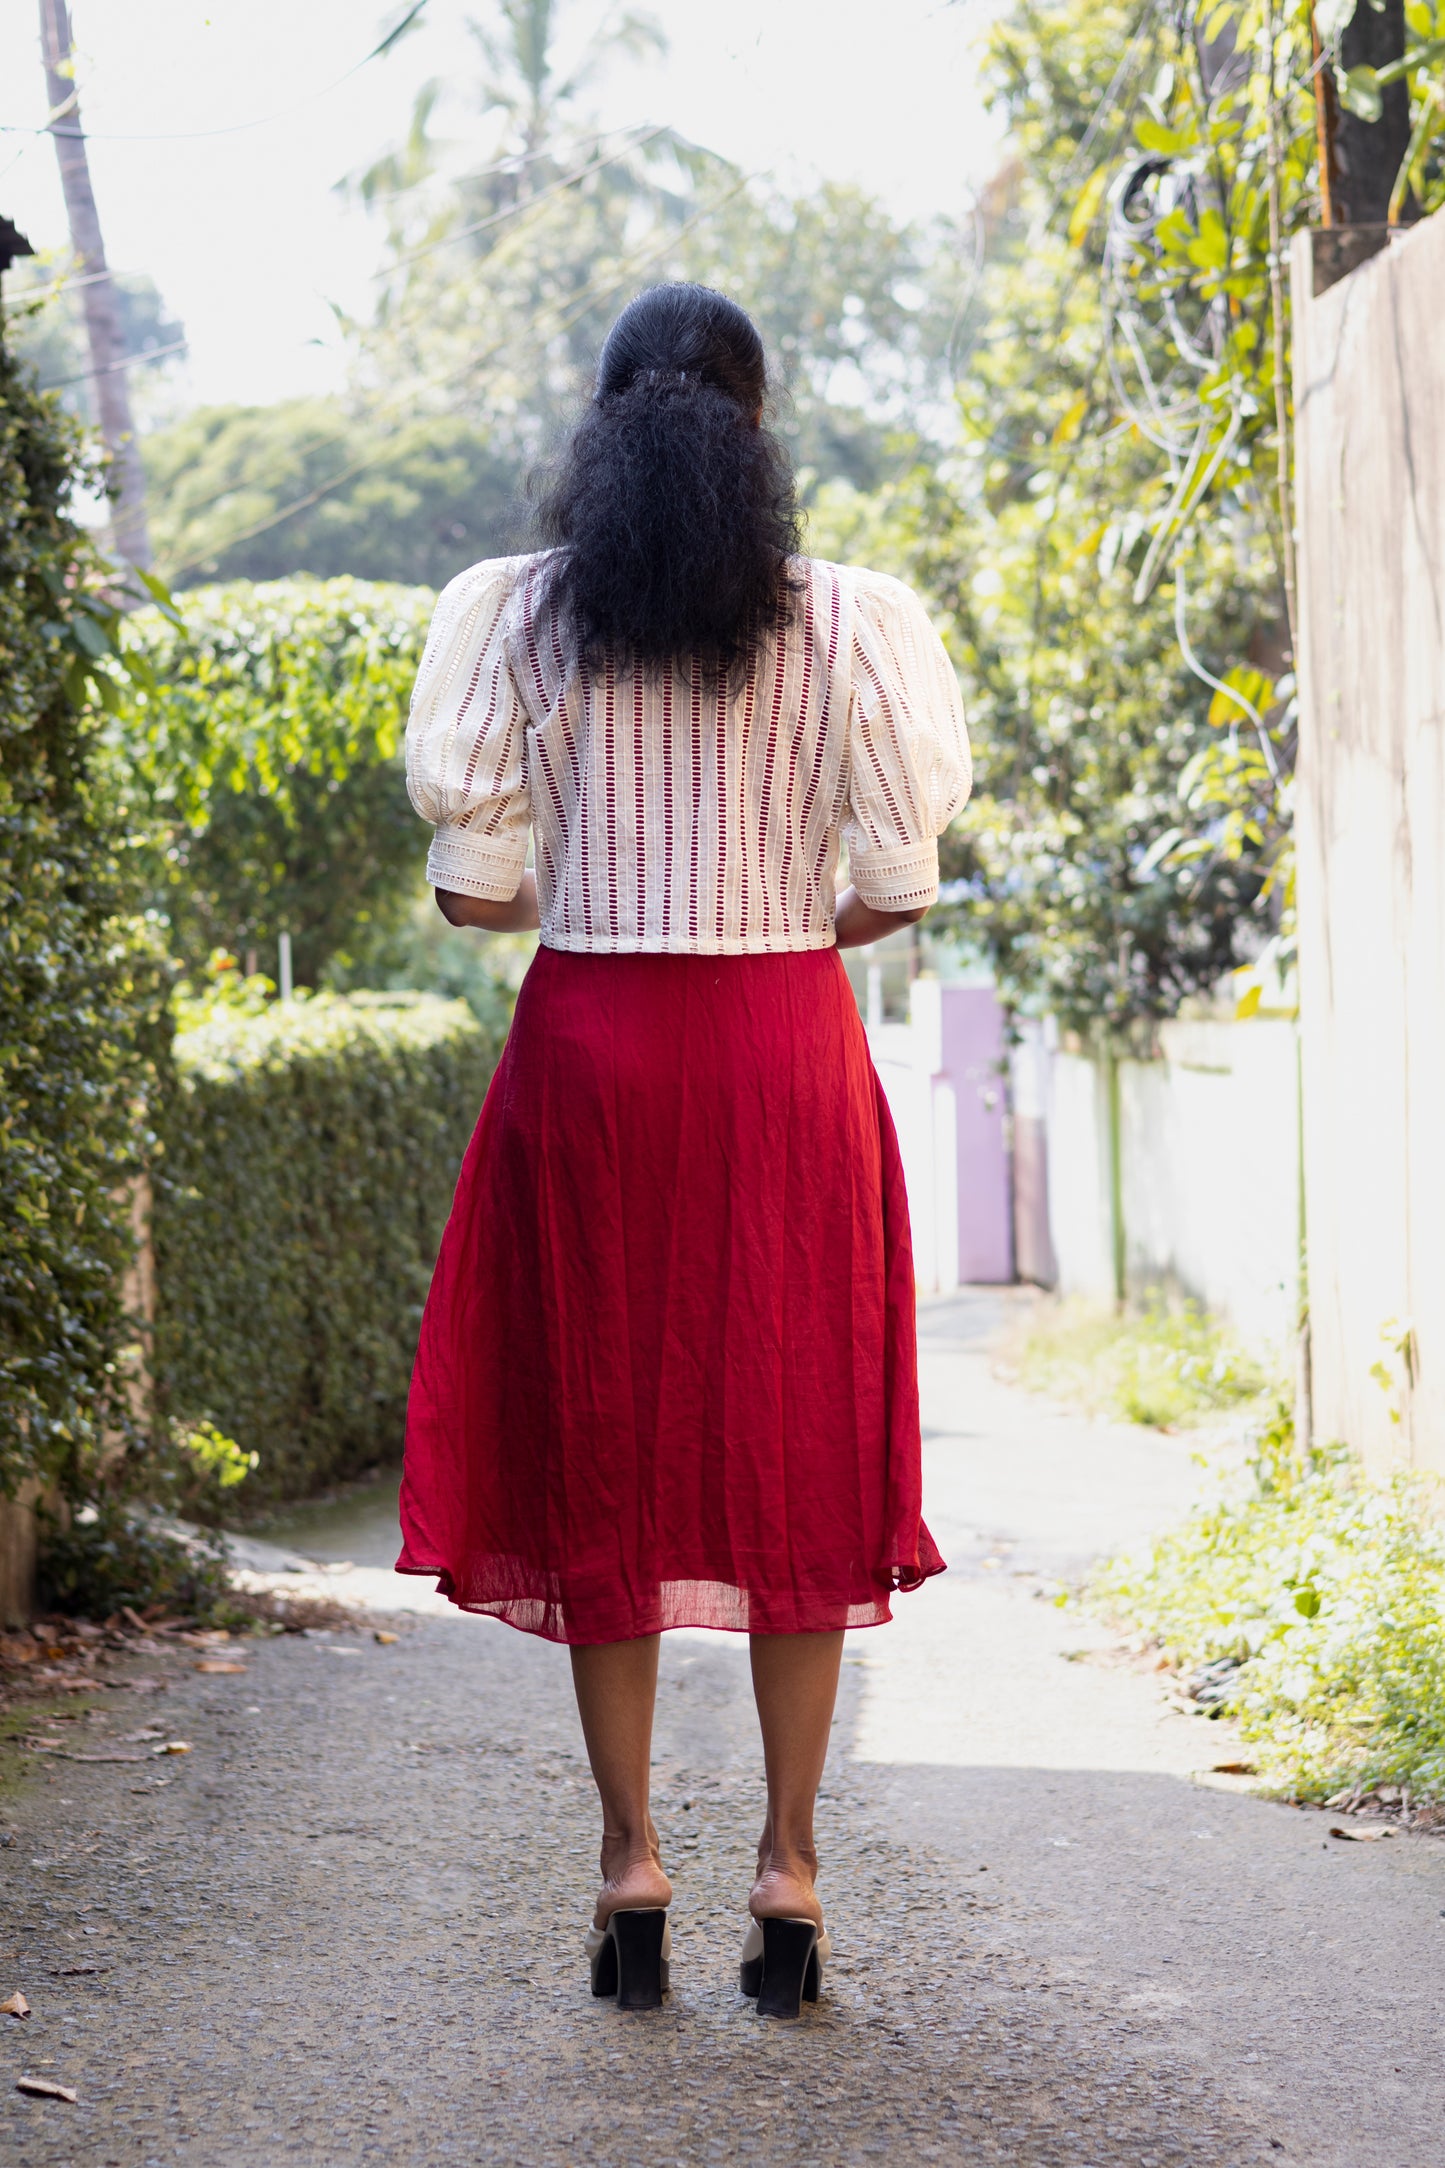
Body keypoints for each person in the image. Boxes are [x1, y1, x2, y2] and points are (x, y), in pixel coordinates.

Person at [398, 282, 971, 2019]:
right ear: (759, 424)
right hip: (785, 1055)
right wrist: (788, 925)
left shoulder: (516, 617)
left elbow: (476, 884)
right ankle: (790, 1871)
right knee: (794, 1441)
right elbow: (900, 878)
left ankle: (629, 1857)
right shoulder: (852, 623)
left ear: (601, 421)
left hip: (590, 1058)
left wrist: (567, 890)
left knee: (605, 1449)